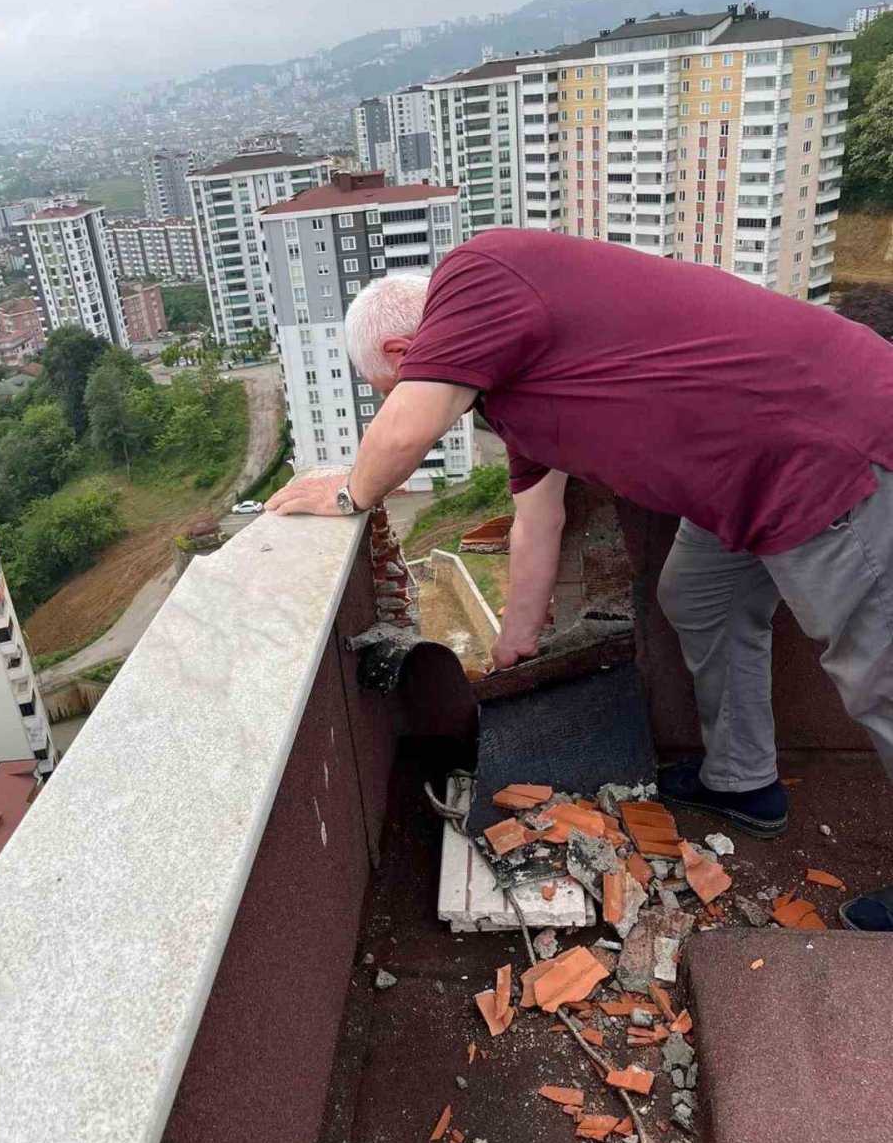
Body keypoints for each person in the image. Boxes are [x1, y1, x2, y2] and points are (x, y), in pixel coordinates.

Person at [267, 230, 893, 930]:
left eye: (393, 388)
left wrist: (351, 492)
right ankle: (743, 779)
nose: (413, 401)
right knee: (698, 595)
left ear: (400, 355)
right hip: (741, 477)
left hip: (828, 444)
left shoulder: (475, 277)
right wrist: (515, 648)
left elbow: (405, 432)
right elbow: (538, 525)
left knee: (880, 675)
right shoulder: (518, 398)